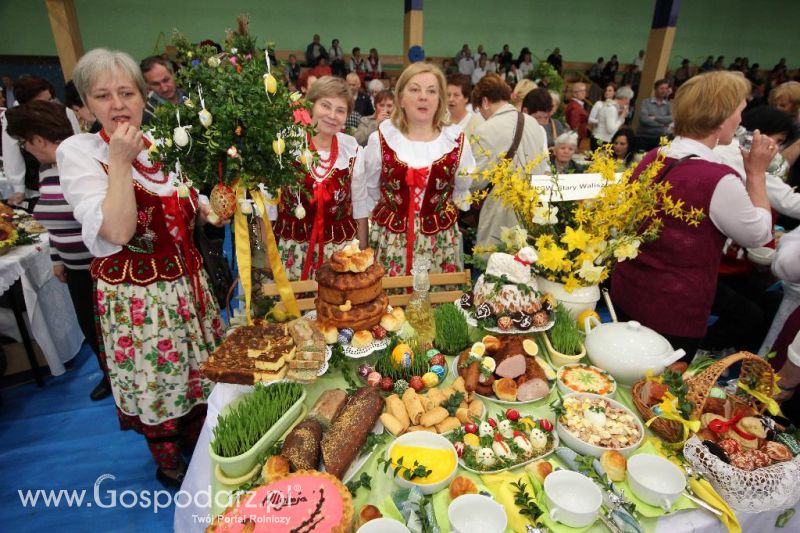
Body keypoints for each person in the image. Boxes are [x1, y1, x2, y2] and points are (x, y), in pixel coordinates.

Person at [57, 48, 226, 488]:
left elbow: (186, 200)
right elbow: (116, 230)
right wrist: (118, 160)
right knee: (160, 380)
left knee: (199, 372)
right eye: (103, 95)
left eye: (126, 92)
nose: (117, 104)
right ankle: (170, 460)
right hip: (141, 299)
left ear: (142, 96)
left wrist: (208, 211)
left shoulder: (163, 144)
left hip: (188, 286)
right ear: (85, 104)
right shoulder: (79, 152)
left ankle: (205, 443)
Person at [610, 71, 777, 361]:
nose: (740, 120)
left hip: (630, 290)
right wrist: (757, 174)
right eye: (739, 111)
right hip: (674, 309)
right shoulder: (717, 179)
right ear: (722, 118)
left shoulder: (655, 156)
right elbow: (759, 236)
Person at [5, 100, 111, 401]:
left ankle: (122, 377)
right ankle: (109, 375)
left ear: (38, 139)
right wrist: (57, 259)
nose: (26, 149)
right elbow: (53, 223)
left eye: (25, 143)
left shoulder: (78, 164)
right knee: (91, 330)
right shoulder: (47, 170)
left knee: (110, 331)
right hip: (75, 267)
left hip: (100, 265)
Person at [357, 62, 476, 276]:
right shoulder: (381, 140)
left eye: (432, 91)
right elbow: (370, 193)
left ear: (440, 100)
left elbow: (461, 192)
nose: (424, 97)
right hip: (391, 241)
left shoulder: (457, 142)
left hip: (440, 244)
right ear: (400, 99)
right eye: (415, 89)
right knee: (388, 307)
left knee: (439, 304)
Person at [272, 77, 366, 280]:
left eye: (340, 110)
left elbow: (360, 207)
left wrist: (362, 257)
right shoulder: (286, 144)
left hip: (340, 253)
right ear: (311, 106)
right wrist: (269, 258)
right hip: (294, 251)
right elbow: (269, 206)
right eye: (325, 105)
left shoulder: (352, 149)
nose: (332, 115)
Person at [471, 73, 548, 251]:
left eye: (480, 110)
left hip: (500, 214)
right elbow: (542, 168)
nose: (482, 115)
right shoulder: (534, 124)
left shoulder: (485, 130)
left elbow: (476, 181)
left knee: (496, 268)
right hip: (532, 210)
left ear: (485, 101)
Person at [1, 75, 81, 206]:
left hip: (69, 181)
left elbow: (78, 144)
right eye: (41, 103)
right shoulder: (14, 119)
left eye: (50, 100)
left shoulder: (65, 112)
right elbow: (12, 155)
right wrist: (18, 188)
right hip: (34, 186)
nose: (48, 106)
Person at [139, 56, 187, 125]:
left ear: (173, 74)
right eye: (156, 84)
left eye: (166, 80)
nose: (164, 88)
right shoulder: (148, 113)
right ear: (148, 86)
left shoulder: (188, 95)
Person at [636, 78, 672, 151]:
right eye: (661, 88)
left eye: (666, 88)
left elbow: (671, 118)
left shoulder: (668, 105)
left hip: (660, 139)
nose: (664, 91)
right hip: (643, 137)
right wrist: (662, 124)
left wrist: (655, 117)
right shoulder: (646, 102)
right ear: (655, 89)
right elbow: (644, 119)